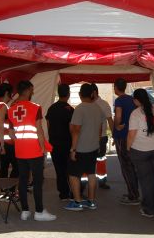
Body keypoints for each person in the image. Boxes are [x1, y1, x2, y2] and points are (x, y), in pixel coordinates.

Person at [6, 80, 56, 221]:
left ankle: (25, 211)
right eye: (32, 90)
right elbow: (39, 130)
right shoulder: (35, 107)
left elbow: (11, 133)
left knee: (23, 180)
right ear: (27, 90)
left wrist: (19, 142)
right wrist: (43, 148)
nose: (33, 92)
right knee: (38, 181)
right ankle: (39, 212)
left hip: (20, 150)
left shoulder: (11, 109)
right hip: (34, 150)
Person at [64, 83, 104, 211]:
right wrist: (98, 143)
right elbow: (100, 128)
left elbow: (76, 130)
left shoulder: (80, 109)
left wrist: (73, 149)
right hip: (93, 146)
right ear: (92, 94)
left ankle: (77, 202)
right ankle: (91, 202)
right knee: (91, 173)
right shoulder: (98, 108)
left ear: (80, 94)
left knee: (73, 175)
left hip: (81, 148)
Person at [127, 89, 154, 217]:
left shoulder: (135, 114)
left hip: (141, 150)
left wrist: (128, 148)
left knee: (146, 181)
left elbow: (132, 134)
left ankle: (149, 209)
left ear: (137, 100)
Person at [112, 78, 139, 205]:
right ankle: (133, 192)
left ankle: (133, 195)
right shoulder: (131, 99)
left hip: (122, 136)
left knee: (126, 166)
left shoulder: (119, 100)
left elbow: (118, 116)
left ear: (116, 87)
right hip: (132, 135)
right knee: (131, 165)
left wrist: (117, 126)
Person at [46, 84, 74, 200]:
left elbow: (48, 125)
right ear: (68, 94)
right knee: (70, 169)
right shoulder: (70, 110)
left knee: (59, 169)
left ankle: (63, 193)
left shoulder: (51, 108)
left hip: (54, 143)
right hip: (67, 143)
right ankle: (73, 192)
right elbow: (72, 128)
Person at [0, 82, 18, 178]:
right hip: (4, 141)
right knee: (17, 165)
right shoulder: (3, 106)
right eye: (11, 92)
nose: (12, 94)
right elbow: (1, 125)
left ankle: (4, 185)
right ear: (7, 93)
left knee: (4, 165)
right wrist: (2, 144)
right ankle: (10, 185)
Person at [90, 83, 114, 189]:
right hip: (88, 137)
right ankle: (86, 183)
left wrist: (114, 135)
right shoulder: (87, 104)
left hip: (102, 137)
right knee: (89, 160)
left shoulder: (104, 104)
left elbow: (110, 120)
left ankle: (102, 181)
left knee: (100, 159)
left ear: (94, 92)